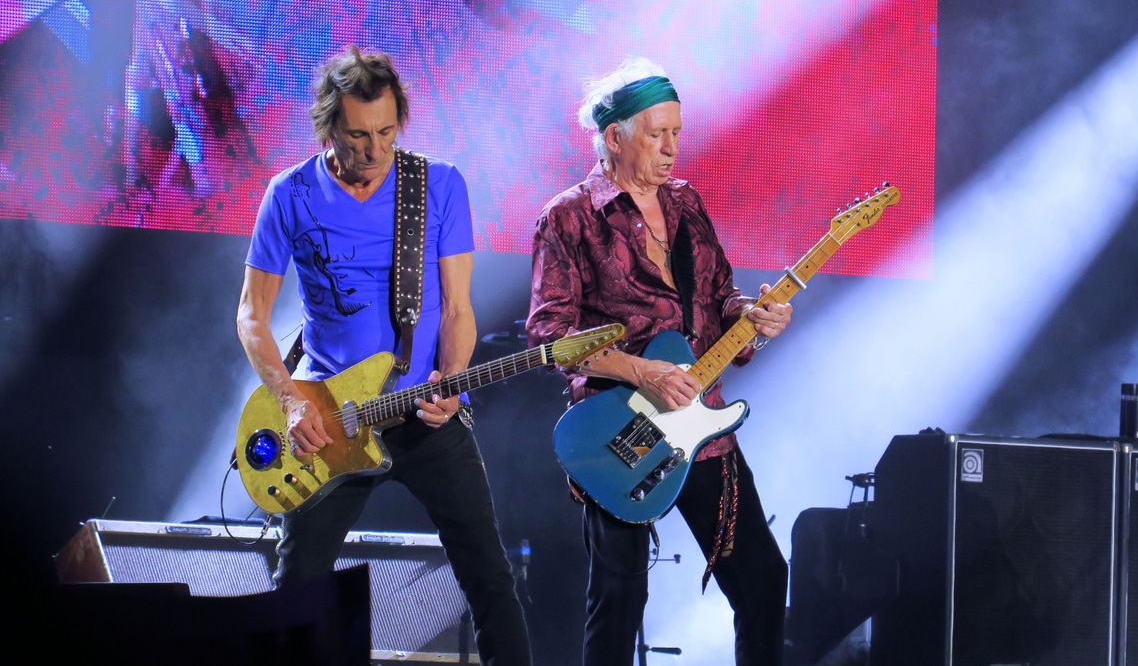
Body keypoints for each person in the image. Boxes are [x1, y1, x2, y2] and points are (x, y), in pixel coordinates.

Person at [236, 46, 531, 666]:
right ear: (328, 128)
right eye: (358, 136)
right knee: (300, 590)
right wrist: (291, 402)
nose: (374, 150)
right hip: (329, 422)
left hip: (424, 415)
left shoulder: (438, 184)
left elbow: (456, 310)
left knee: (489, 576)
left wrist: (451, 382)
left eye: (387, 132)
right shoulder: (288, 195)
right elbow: (251, 317)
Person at [526, 57, 793, 665]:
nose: (672, 148)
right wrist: (640, 370)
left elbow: (721, 294)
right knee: (619, 600)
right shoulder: (568, 217)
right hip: (619, 431)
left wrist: (757, 319)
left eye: (677, 132)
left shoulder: (686, 203)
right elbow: (549, 331)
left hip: (704, 424)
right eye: (656, 134)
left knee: (762, 581)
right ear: (614, 135)